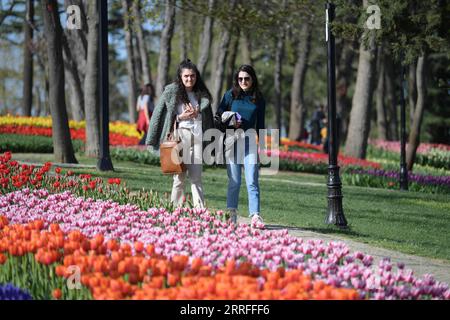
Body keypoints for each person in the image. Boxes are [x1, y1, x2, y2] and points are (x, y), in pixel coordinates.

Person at [145, 59, 214, 209]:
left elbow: (207, 118)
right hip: (180, 137)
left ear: (197, 77)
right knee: (179, 177)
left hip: (197, 138)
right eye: (186, 76)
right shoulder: (172, 92)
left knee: (196, 178)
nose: (190, 79)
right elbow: (160, 115)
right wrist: (180, 117)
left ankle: (200, 211)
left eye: (193, 76)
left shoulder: (201, 94)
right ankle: (174, 209)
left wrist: (197, 113)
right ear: (181, 77)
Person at [216, 64, 266, 229]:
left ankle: (255, 215)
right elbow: (218, 116)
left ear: (252, 79)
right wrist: (230, 121)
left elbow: (261, 125)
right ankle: (231, 214)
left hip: (250, 141)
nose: (243, 81)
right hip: (232, 140)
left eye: (247, 78)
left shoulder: (258, 98)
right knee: (235, 181)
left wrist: (262, 148)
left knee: (252, 179)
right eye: (240, 79)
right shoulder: (230, 95)